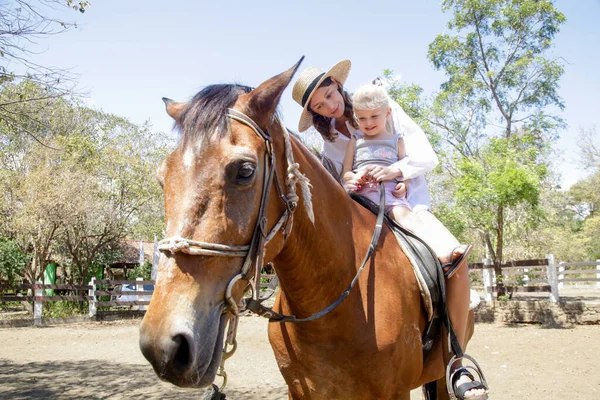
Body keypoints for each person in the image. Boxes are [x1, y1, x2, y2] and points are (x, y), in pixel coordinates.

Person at [291, 60, 488, 399]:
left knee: (455, 259)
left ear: (337, 85)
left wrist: (396, 172)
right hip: (357, 213)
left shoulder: (384, 108)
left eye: (328, 94)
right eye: (319, 106)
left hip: (405, 205)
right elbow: (336, 185)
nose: (329, 105)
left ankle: (457, 360)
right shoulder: (332, 142)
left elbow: (426, 156)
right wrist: (350, 180)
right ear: (315, 112)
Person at [342, 84, 470, 269]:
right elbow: (346, 171)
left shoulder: (396, 139)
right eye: (362, 118)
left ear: (387, 113)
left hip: (390, 196)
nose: (368, 123)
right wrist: (351, 178)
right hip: (361, 197)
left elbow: (405, 166)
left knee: (408, 220)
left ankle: (441, 252)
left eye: (374, 116)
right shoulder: (355, 141)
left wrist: (404, 183)